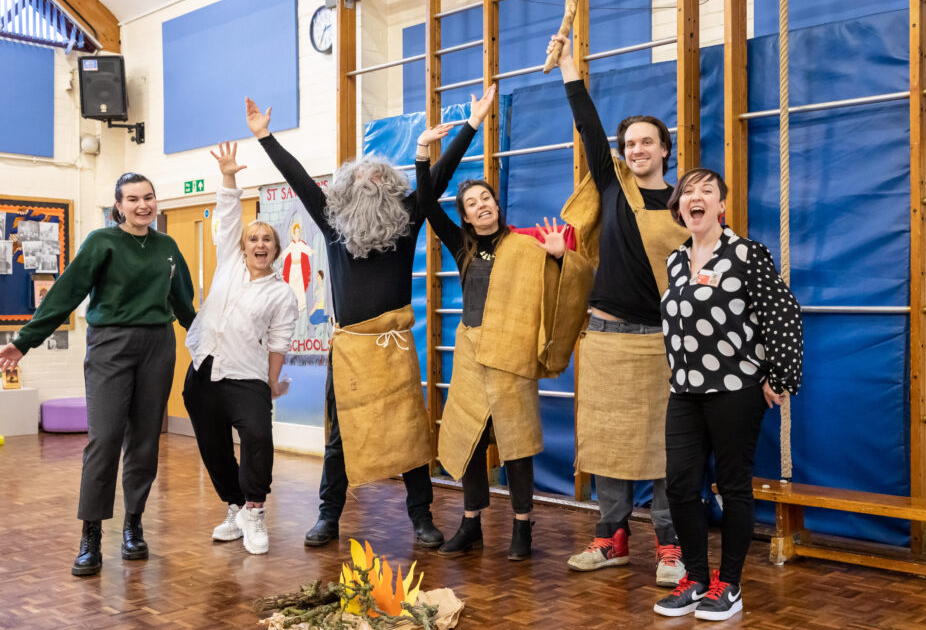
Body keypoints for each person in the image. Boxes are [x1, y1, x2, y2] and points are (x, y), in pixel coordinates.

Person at [244, 94, 488, 549]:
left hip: (393, 346)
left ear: (390, 184)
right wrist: (265, 136)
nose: (369, 177)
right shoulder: (331, 219)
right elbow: (296, 177)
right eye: (360, 174)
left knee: (410, 433)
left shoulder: (408, 217)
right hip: (351, 351)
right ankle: (327, 517)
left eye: (377, 173)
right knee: (339, 439)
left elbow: (439, 177)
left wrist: (471, 125)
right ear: (344, 188)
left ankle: (421, 518)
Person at [414, 115, 592, 561]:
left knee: (516, 445)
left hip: (512, 357)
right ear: (466, 215)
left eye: (486, 198)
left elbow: (565, 290)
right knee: (470, 440)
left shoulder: (528, 245)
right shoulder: (461, 246)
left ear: (497, 203)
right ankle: (471, 523)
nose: (481, 205)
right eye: (471, 203)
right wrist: (423, 151)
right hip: (472, 355)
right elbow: (426, 201)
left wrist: (558, 257)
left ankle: (522, 529)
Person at [547, 34, 690, 587]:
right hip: (605, 336)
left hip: (660, 342)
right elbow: (587, 127)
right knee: (608, 443)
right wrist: (568, 69)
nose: (636, 150)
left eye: (647, 142)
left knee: (663, 449)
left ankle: (670, 547)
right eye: (629, 143)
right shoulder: (611, 187)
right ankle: (611, 539)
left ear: (665, 150)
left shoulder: (685, 203)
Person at [0, 173, 195, 576]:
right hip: (111, 345)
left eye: (149, 197)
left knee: (144, 440)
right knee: (104, 439)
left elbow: (184, 305)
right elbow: (65, 293)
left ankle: (133, 526)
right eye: (133, 199)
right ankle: (90, 534)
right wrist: (25, 341)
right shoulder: (101, 242)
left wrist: (213, 346)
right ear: (118, 206)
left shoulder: (168, 247)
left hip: (159, 346)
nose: (143, 205)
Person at [653, 168, 803, 620]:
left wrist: (780, 377)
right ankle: (697, 579)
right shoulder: (676, 260)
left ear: (721, 206)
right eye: (687, 193)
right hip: (684, 390)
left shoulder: (745, 254)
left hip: (735, 390)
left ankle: (730, 585)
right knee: (680, 484)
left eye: (707, 192)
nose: (695, 198)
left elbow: (784, 315)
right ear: (679, 207)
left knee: (733, 486)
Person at [182, 142, 298, 556]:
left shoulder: (282, 293)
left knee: (258, 441)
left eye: (267, 239)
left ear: (275, 248)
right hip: (203, 371)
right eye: (254, 238)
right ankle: (233, 508)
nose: (259, 243)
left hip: (247, 376)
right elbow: (229, 216)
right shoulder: (228, 263)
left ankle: (254, 510)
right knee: (212, 447)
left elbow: (280, 342)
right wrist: (229, 177)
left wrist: (270, 383)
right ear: (243, 246)